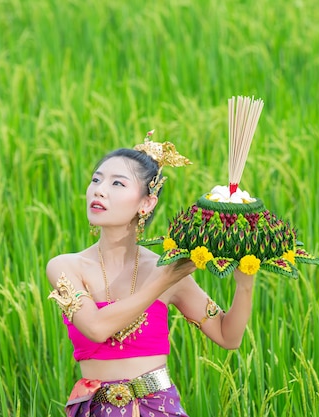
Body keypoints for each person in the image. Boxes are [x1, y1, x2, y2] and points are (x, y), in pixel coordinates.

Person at [46, 131, 255, 417]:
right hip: (95, 409)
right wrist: (164, 281)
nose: (99, 190)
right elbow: (95, 328)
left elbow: (227, 336)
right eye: (96, 179)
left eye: (117, 183)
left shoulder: (167, 269)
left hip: (158, 408)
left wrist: (245, 284)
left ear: (146, 203)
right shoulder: (65, 267)